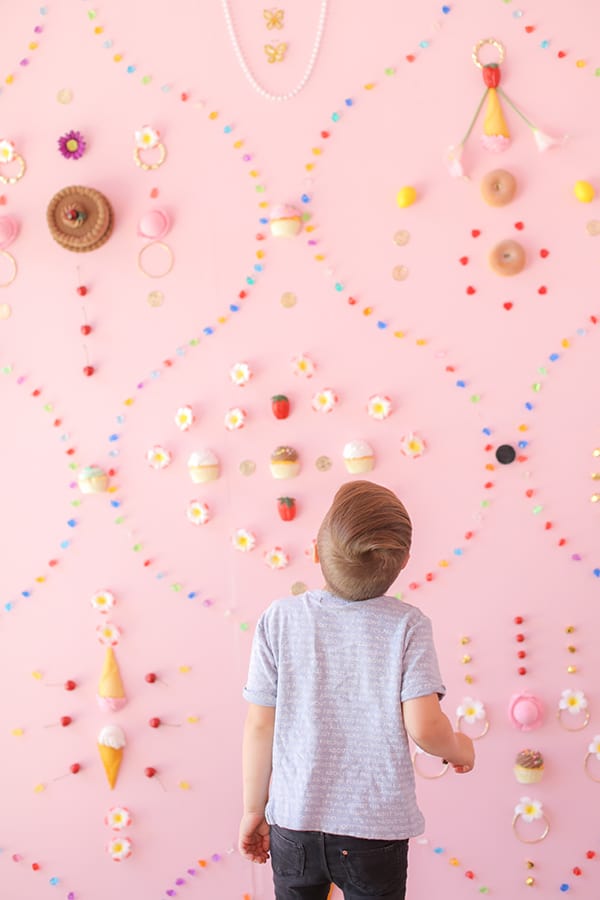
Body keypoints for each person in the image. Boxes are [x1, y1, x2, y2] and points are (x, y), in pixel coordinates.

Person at [238, 480, 474, 900]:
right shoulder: (408, 625)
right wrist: (459, 748)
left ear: (314, 551)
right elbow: (424, 726)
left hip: (294, 827)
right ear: (403, 561)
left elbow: (259, 727)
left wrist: (254, 810)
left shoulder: (279, 619)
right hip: (374, 834)